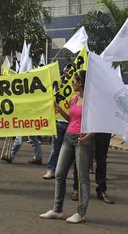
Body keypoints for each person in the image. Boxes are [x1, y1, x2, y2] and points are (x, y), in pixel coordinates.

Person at [40, 70, 94, 224]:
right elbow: (72, 119)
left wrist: (88, 136)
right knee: (59, 173)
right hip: (68, 137)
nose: (72, 83)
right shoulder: (73, 98)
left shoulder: (91, 101)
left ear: (81, 82)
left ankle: (81, 214)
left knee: (83, 178)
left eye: (74, 80)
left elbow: (97, 123)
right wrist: (60, 110)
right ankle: (57, 210)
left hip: (83, 141)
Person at [43, 64, 72, 179]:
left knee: (72, 151)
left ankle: (70, 174)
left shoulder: (77, 88)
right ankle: (51, 170)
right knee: (56, 149)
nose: (68, 72)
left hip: (72, 123)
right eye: (67, 70)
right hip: (59, 122)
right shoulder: (58, 85)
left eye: (70, 70)